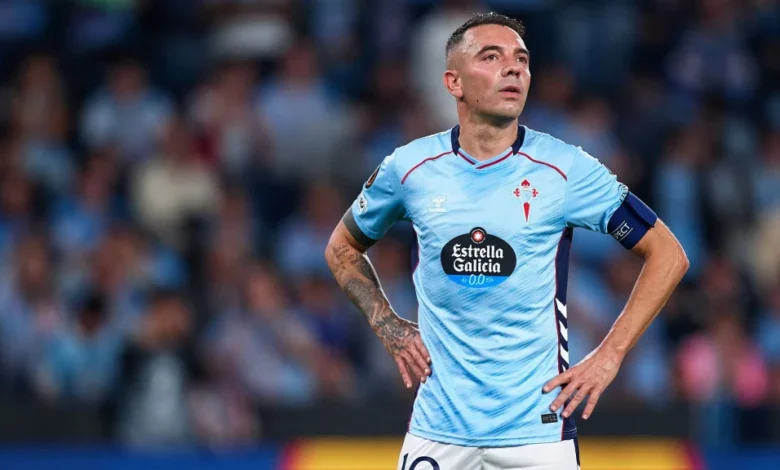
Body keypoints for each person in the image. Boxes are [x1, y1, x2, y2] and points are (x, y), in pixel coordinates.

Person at [324, 12, 689, 470]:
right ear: (454, 82)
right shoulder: (409, 168)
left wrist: (609, 355)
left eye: (522, 59)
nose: (513, 68)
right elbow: (341, 247)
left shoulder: (565, 168)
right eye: (491, 57)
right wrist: (389, 326)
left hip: (538, 433)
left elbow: (667, 253)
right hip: (438, 431)